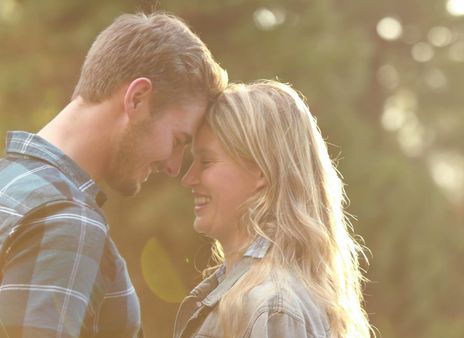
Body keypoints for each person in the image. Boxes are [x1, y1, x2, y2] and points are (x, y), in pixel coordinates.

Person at [0, 12, 227, 337]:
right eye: (178, 141)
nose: (174, 166)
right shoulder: (67, 220)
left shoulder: (9, 182)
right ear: (137, 99)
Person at [175, 80, 372, 338]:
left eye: (207, 161)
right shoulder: (250, 298)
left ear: (260, 170)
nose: (188, 178)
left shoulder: (273, 308)